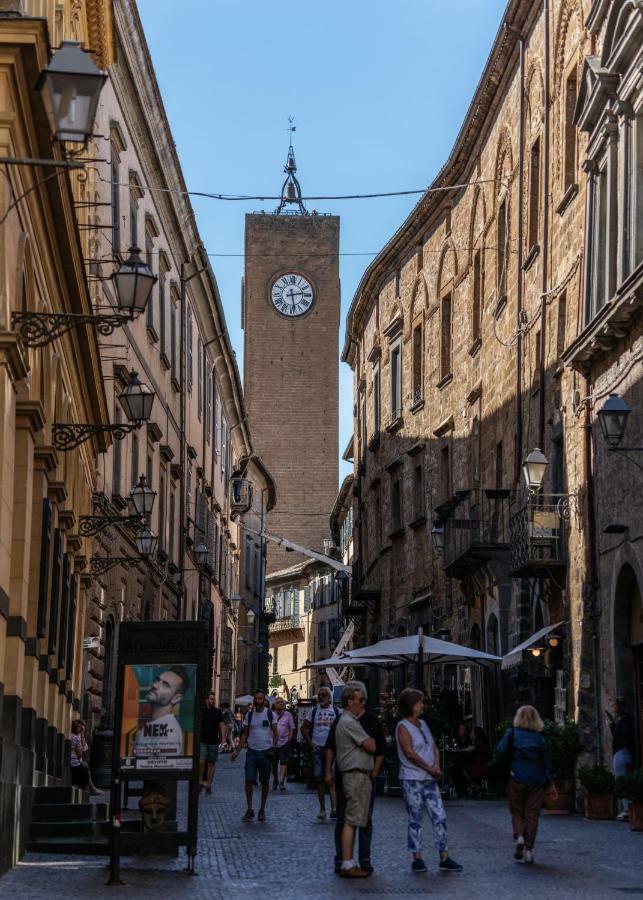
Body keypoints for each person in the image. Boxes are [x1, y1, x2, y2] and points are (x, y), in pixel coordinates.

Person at [396, 688, 463, 875]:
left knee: (439, 815)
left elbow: (433, 746)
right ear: (411, 705)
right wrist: (429, 768)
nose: (422, 705)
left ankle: (444, 856)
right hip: (412, 779)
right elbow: (409, 753)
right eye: (419, 702)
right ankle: (417, 858)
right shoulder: (402, 727)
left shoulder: (423, 724)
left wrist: (436, 766)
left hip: (429, 779)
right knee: (415, 818)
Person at [325, 681, 386, 876]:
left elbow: (380, 749)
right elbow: (371, 746)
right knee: (349, 821)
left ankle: (356, 861)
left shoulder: (367, 720)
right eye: (360, 700)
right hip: (352, 776)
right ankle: (347, 863)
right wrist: (328, 771)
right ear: (350, 701)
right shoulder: (348, 721)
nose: (363, 703)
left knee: (361, 820)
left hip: (362, 776)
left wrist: (374, 772)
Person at [497, 704, 556, 864]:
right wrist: (550, 782)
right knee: (532, 814)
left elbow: (501, 750)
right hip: (536, 782)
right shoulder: (540, 739)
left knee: (516, 811)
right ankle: (529, 849)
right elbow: (547, 763)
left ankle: (520, 836)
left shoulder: (513, 734)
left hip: (517, 777)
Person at [231, 689, 277, 822]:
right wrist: (237, 751)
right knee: (248, 780)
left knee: (265, 782)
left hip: (266, 751)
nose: (258, 701)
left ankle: (262, 809)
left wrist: (273, 745)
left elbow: (275, 731)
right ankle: (250, 809)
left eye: (260, 699)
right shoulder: (249, 716)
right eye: (256, 699)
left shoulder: (270, 714)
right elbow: (244, 734)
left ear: (264, 700)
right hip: (251, 751)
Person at [301, 686, 340, 819]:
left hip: (332, 749)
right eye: (319, 695)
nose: (321, 697)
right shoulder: (314, 711)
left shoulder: (336, 711)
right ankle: (323, 808)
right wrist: (310, 743)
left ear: (329, 697)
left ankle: (334, 808)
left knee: (332, 778)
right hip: (317, 749)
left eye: (324, 695)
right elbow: (303, 728)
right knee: (319, 778)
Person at [133, 667, 188, 757]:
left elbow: (167, 767)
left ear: (176, 698)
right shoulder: (157, 723)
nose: (155, 685)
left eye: (165, 685)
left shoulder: (170, 732)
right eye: (157, 680)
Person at [608, 697, 636, 821]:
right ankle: (628, 808)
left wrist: (619, 743)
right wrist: (612, 724)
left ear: (619, 706)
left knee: (622, 781)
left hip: (622, 753)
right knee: (624, 780)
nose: (613, 708)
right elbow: (618, 734)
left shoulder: (624, 720)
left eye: (614, 705)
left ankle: (627, 810)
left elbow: (623, 735)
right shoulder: (623, 720)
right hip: (624, 752)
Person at [200, 691, 226, 795]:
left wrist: (223, 739)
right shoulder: (201, 711)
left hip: (213, 741)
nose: (213, 700)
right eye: (211, 699)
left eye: (214, 699)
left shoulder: (217, 712)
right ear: (206, 700)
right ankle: (201, 781)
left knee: (211, 763)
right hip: (202, 740)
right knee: (201, 762)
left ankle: (209, 785)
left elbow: (222, 725)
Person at [70, 720, 101, 795]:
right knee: (85, 767)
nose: (81, 729)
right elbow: (80, 753)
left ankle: (92, 788)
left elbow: (85, 748)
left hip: (76, 762)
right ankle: (91, 788)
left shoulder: (77, 736)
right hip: (74, 763)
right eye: (80, 727)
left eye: (82, 728)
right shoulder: (74, 737)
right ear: (75, 727)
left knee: (85, 765)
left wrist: (82, 735)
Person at [272, 697, 295, 790]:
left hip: (285, 742)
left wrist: (289, 738)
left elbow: (292, 728)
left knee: (283, 762)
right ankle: (275, 779)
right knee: (273, 764)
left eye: (282, 702)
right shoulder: (271, 714)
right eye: (279, 702)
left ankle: (281, 782)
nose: (281, 703)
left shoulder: (288, 715)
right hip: (273, 743)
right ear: (275, 704)